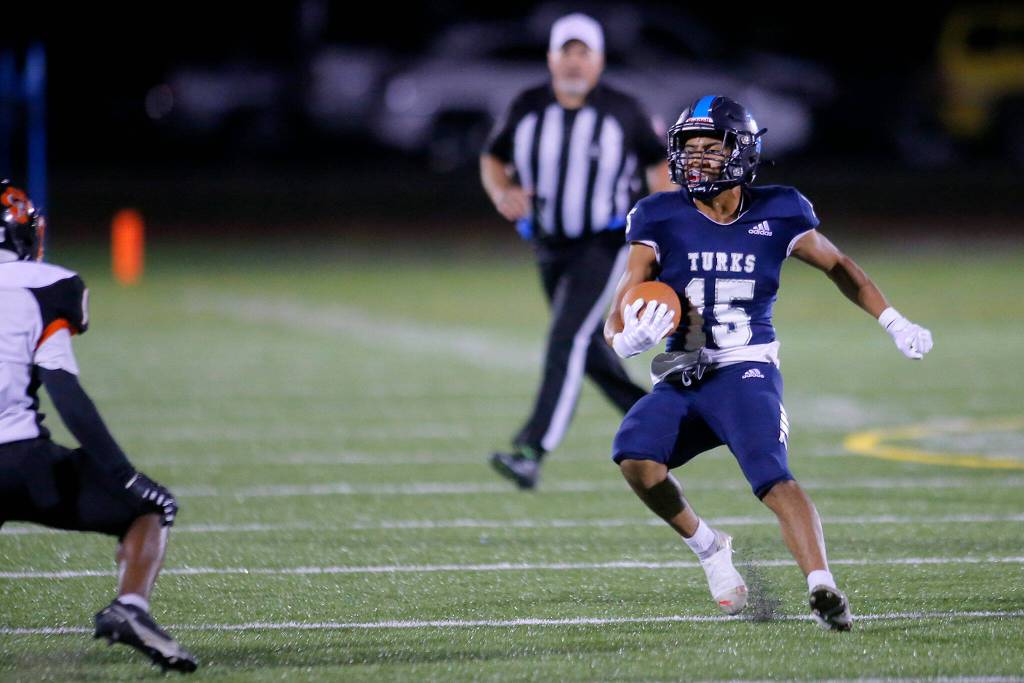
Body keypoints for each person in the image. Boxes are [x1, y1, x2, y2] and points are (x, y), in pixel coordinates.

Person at [604, 96, 933, 630]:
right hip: (683, 372)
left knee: (771, 476)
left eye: (712, 148)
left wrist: (893, 320)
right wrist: (625, 341)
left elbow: (840, 265)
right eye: (690, 149)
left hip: (745, 369)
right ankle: (710, 548)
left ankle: (822, 585)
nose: (698, 160)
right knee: (635, 459)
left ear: (742, 152)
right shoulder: (657, 214)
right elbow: (617, 311)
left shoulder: (781, 209)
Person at [0, 180, 197, 672]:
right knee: (151, 508)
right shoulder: (45, 285)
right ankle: (130, 608)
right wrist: (123, 473)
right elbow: (64, 390)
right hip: (21, 459)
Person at [481, 13, 674, 489]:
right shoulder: (526, 106)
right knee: (587, 348)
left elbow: (659, 166)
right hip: (548, 245)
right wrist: (502, 191)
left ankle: (532, 449)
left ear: (599, 61)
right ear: (550, 59)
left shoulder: (624, 110)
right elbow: (492, 156)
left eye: (582, 52)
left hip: (603, 242)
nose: (573, 62)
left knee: (565, 338)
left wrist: (661, 229)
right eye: (565, 52)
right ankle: (661, 415)